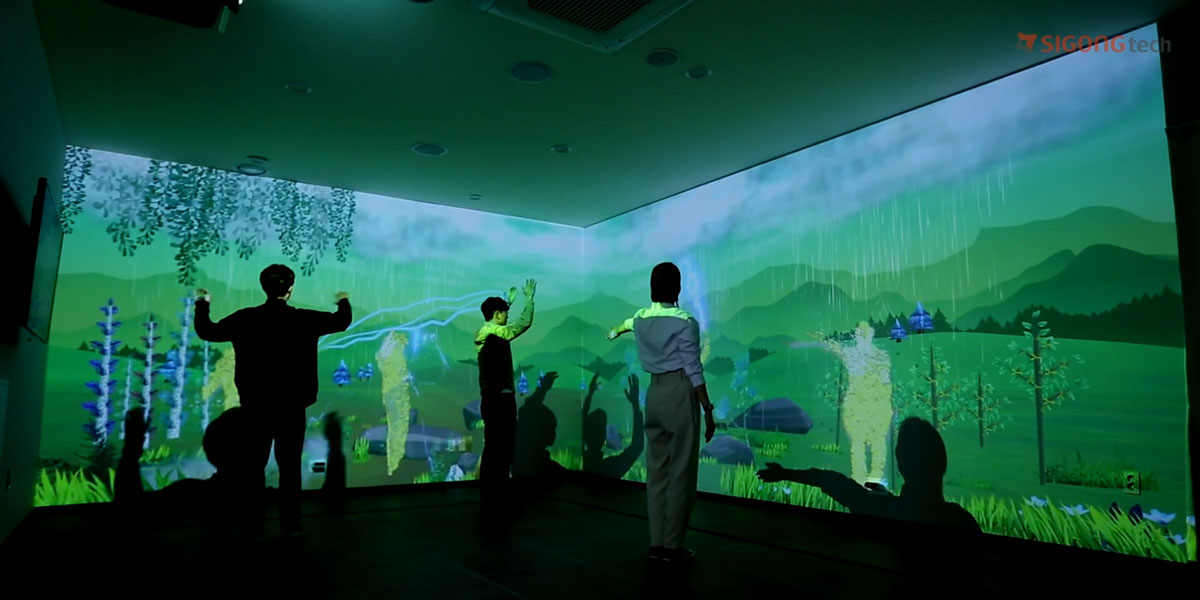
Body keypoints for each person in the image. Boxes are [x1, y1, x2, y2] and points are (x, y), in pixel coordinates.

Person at [193, 264, 351, 538]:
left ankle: (254, 524)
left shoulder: (245, 319)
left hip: (255, 408)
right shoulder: (303, 320)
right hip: (292, 408)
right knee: (290, 469)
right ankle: (291, 524)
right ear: (290, 288)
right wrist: (343, 300)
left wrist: (202, 302)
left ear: (263, 287)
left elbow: (208, 331)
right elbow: (342, 321)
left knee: (253, 468)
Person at [606, 262, 715, 564]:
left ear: (652, 287)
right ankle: (672, 546)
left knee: (656, 474)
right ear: (677, 287)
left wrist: (615, 331)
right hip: (679, 393)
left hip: (653, 395)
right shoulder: (685, 322)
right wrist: (707, 408)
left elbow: (628, 323)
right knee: (680, 473)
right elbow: (693, 368)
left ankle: (656, 543)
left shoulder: (641, 318)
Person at [756, 417, 981, 533]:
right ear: (942, 462)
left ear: (901, 461)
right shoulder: (962, 521)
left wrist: (785, 473)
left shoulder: (884, 511)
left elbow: (835, 483)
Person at [475, 278, 537, 516]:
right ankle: (494, 497)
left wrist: (507, 302)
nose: (507, 317)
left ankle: (494, 496)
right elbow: (520, 325)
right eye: (504, 313)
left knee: (498, 449)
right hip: (497, 401)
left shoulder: (490, 331)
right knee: (498, 450)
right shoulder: (492, 333)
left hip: (498, 400)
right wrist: (529, 299)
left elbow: (502, 325)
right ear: (497, 315)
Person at [582, 373, 645, 480]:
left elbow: (583, 417)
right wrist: (635, 405)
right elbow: (637, 446)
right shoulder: (608, 470)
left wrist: (590, 394)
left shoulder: (579, 470)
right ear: (603, 437)